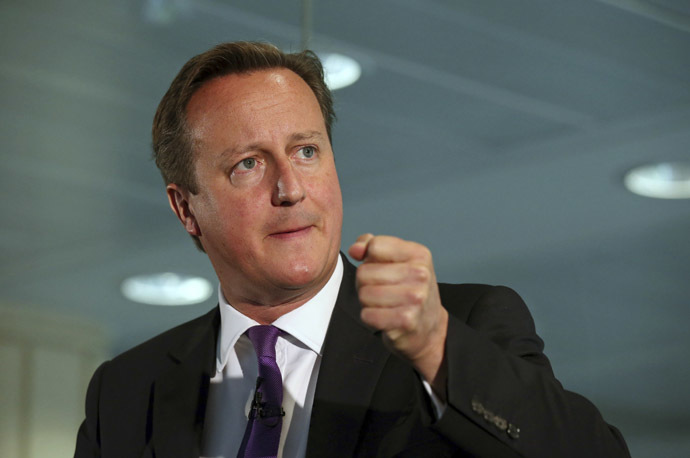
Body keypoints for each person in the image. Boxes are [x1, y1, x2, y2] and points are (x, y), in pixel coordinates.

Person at [74, 41, 630, 458]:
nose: (290, 188)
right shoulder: (126, 391)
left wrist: (438, 349)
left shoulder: (464, 327)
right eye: (248, 164)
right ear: (186, 209)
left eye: (307, 151)